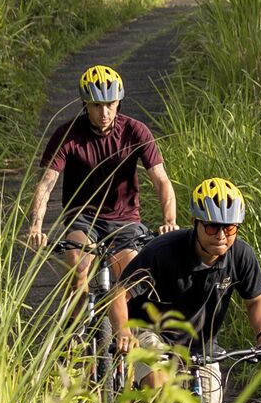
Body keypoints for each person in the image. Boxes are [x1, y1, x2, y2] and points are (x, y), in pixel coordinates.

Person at [22, 64, 176, 345]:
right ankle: (75, 332)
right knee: (77, 267)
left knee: (131, 277)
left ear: (118, 102)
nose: (104, 113)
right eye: (96, 106)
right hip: (83, 219)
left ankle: (133, 341)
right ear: (85, 104)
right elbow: (46, 184)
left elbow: (161, 180)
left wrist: (169, 219)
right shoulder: (67, 134)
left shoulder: (135, 131)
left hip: (126, 220)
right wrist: (36, 225)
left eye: (110, 105)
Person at [119, 179, 261, 403]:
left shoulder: (241, 256)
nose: (222, 236)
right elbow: (120, 294)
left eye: (230, 228)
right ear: (196, 224)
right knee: (159, 393)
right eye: (212, 227)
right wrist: (123, 332)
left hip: (202, 347)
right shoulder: (163, 251)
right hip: (151, 333)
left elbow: (255, 300)